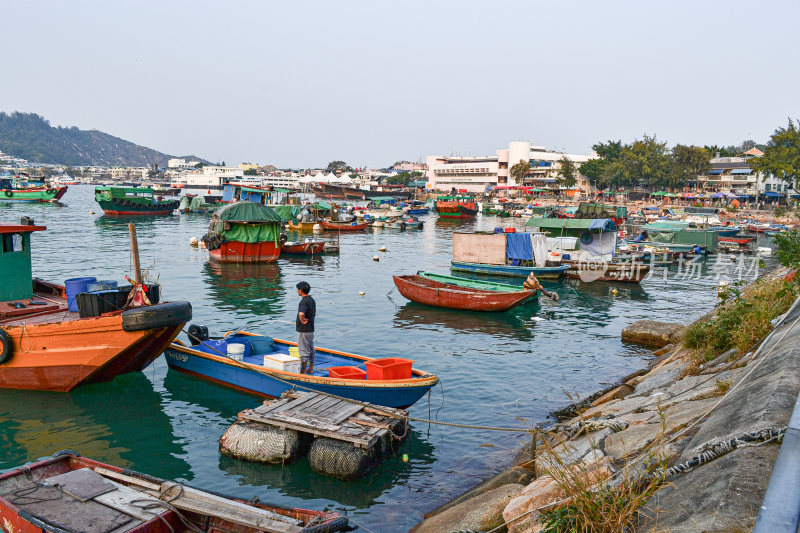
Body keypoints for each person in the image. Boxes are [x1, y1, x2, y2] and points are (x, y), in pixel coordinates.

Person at [295, 281, 316, 374]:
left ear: (301, 290)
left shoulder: (303, 302)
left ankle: (303, 370)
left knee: (303, 349)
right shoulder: (311, 300)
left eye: (298, 289)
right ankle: (311, 368)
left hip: (303, 330)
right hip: (310, 329)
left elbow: (301, 313)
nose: (297, 291)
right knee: (311, 348)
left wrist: (302, 319)